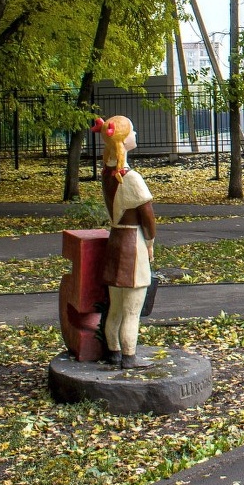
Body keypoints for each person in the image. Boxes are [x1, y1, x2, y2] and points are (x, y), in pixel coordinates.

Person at [94, 115, 157, 369]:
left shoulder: (108, 174)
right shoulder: (131, 178)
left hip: (115, 241)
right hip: (133, 245)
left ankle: (113, 351)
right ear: (122, 139)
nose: (136, 134)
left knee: (116, 306)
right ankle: (130, 356)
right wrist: (151, 242)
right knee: (132, 309)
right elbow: (148, 218)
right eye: (132, 131)